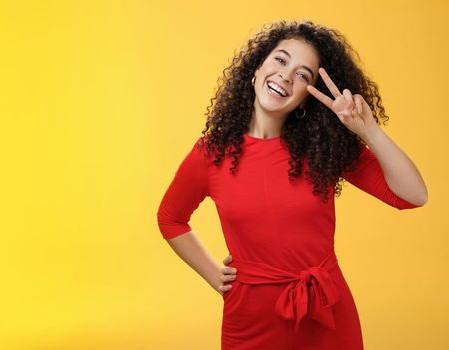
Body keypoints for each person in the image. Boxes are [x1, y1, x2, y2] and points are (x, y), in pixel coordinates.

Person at [156, 20, 428, 350]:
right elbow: (170, 218)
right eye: (281, 60)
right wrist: (214, 274)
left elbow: (413, 195)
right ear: (257, 68)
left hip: (326, 311)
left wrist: (368, 131)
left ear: (306, 98)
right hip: (251, 317)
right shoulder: (211, 154)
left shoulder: (324, 148)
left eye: (303, 75)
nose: (286, 76)